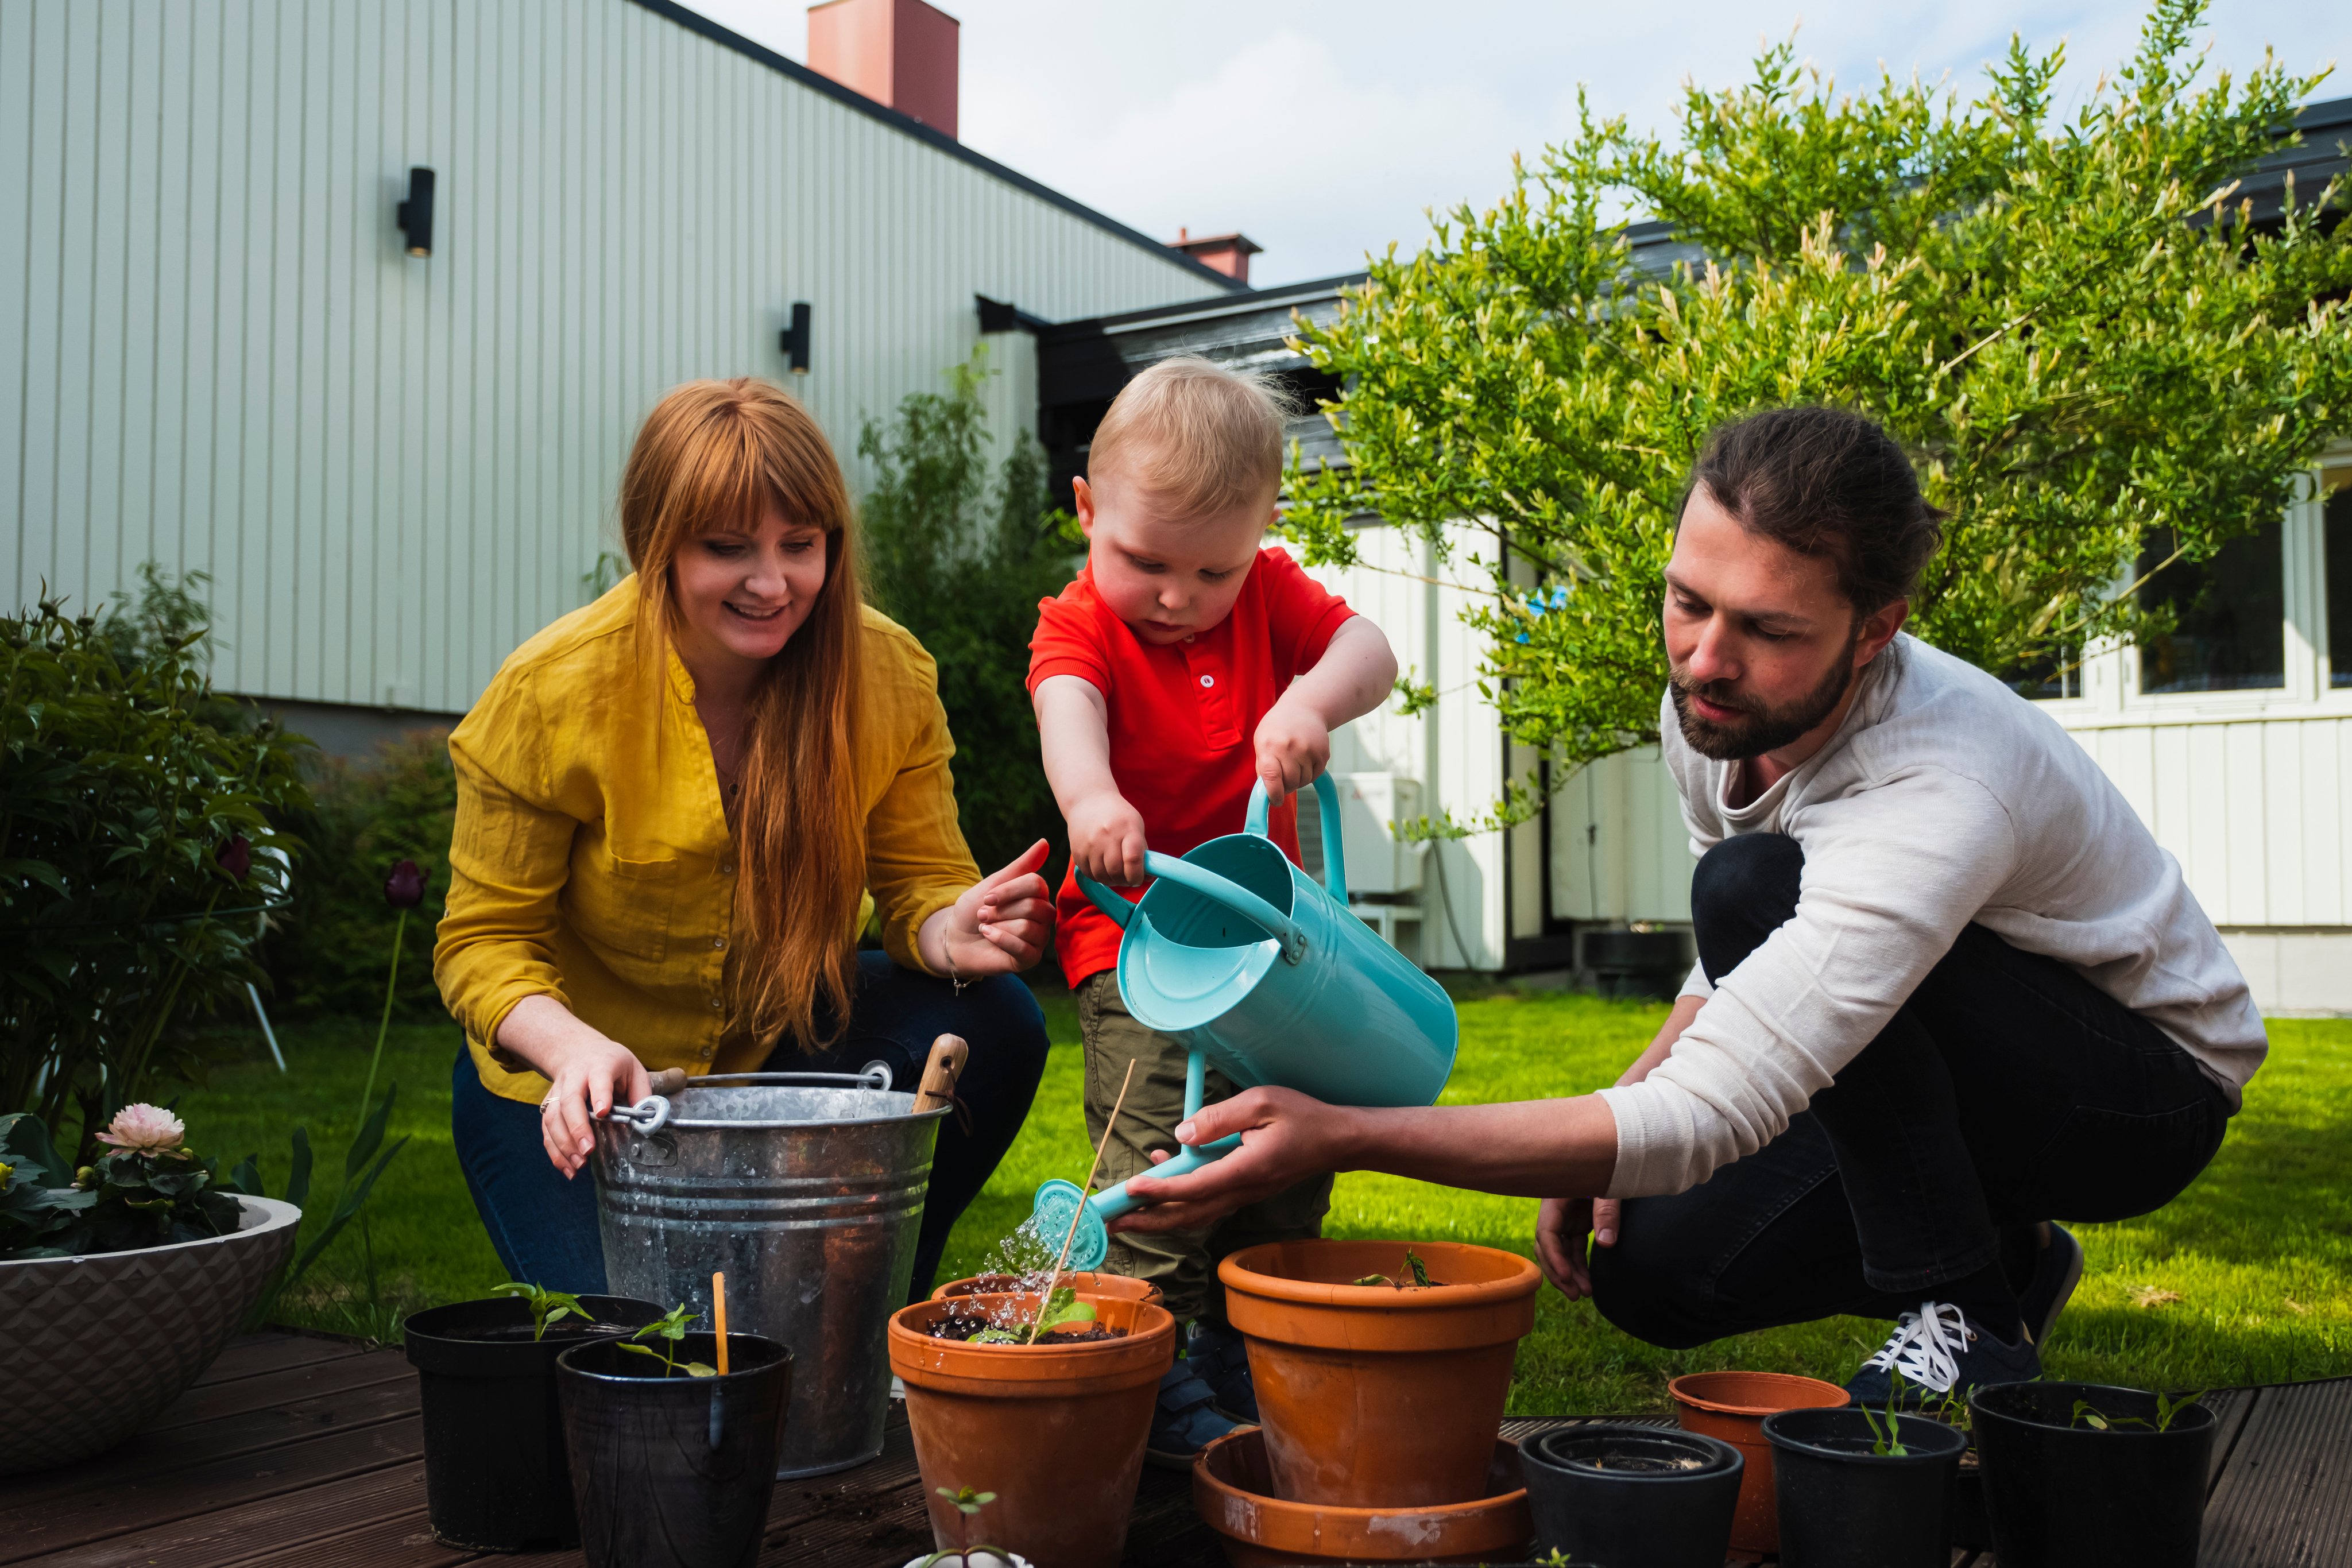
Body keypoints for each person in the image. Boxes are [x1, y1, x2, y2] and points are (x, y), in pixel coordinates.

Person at [1109, 404, 2266, 1403]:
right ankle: (2003, 1262)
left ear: (1875, 629)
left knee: (1752, 882)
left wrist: (1349, 1137)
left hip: (2135, 1093)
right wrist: (1610, 1117)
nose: (1705, 659)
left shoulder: (1936, 782)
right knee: (1655, 1272)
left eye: (1766, 629)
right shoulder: (1716, 711)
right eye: (1687, 602)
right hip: (1926, 1042)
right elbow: (1735, 977)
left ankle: (1961, 1313)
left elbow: (1714, 1100)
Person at [435, 377, 1054, 1301]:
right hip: (578, 1094)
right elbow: (482, 945)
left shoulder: (885, 673)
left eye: (800, 546)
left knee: (991, 1019)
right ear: (657, 544)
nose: (773, 584)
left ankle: (875, 1292)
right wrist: (572, 1051)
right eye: (729, 549)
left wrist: (948, 928)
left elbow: (923, 882)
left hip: (782, 1054)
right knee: (656, 1357)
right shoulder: (550, 693)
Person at [1028, 356, 1400, 1460]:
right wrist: (1093, 799)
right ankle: (1153, 1363)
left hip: (1276, 951)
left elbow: (1368, 651)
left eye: (1214, 571)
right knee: (1164, 1154)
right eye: (1145, 561)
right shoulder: (1082, 624)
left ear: (1262, 533)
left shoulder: (1272, 595)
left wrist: (1309, 697)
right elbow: (1067, 714)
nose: (1180, 597)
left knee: (1288, 1148)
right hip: (1140, 947)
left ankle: (1262, 1334)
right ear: (1089, 511)